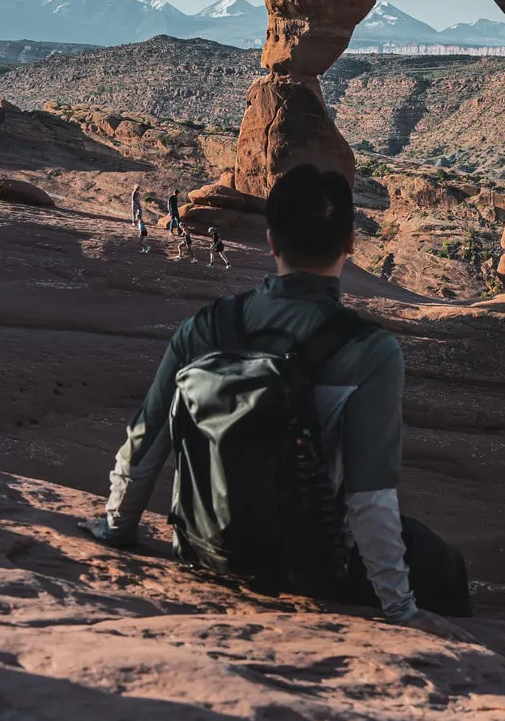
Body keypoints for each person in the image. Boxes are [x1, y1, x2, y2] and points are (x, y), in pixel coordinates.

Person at [81, 163, 470, 631]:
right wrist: (400, 610)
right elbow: (370, 497)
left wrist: (116, 527)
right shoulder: (368, 349)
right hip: (314, 568)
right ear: (349, 241)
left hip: (205, 551)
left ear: (270, 241)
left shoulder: (207, 326)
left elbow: (145, 440)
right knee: (444, 566)